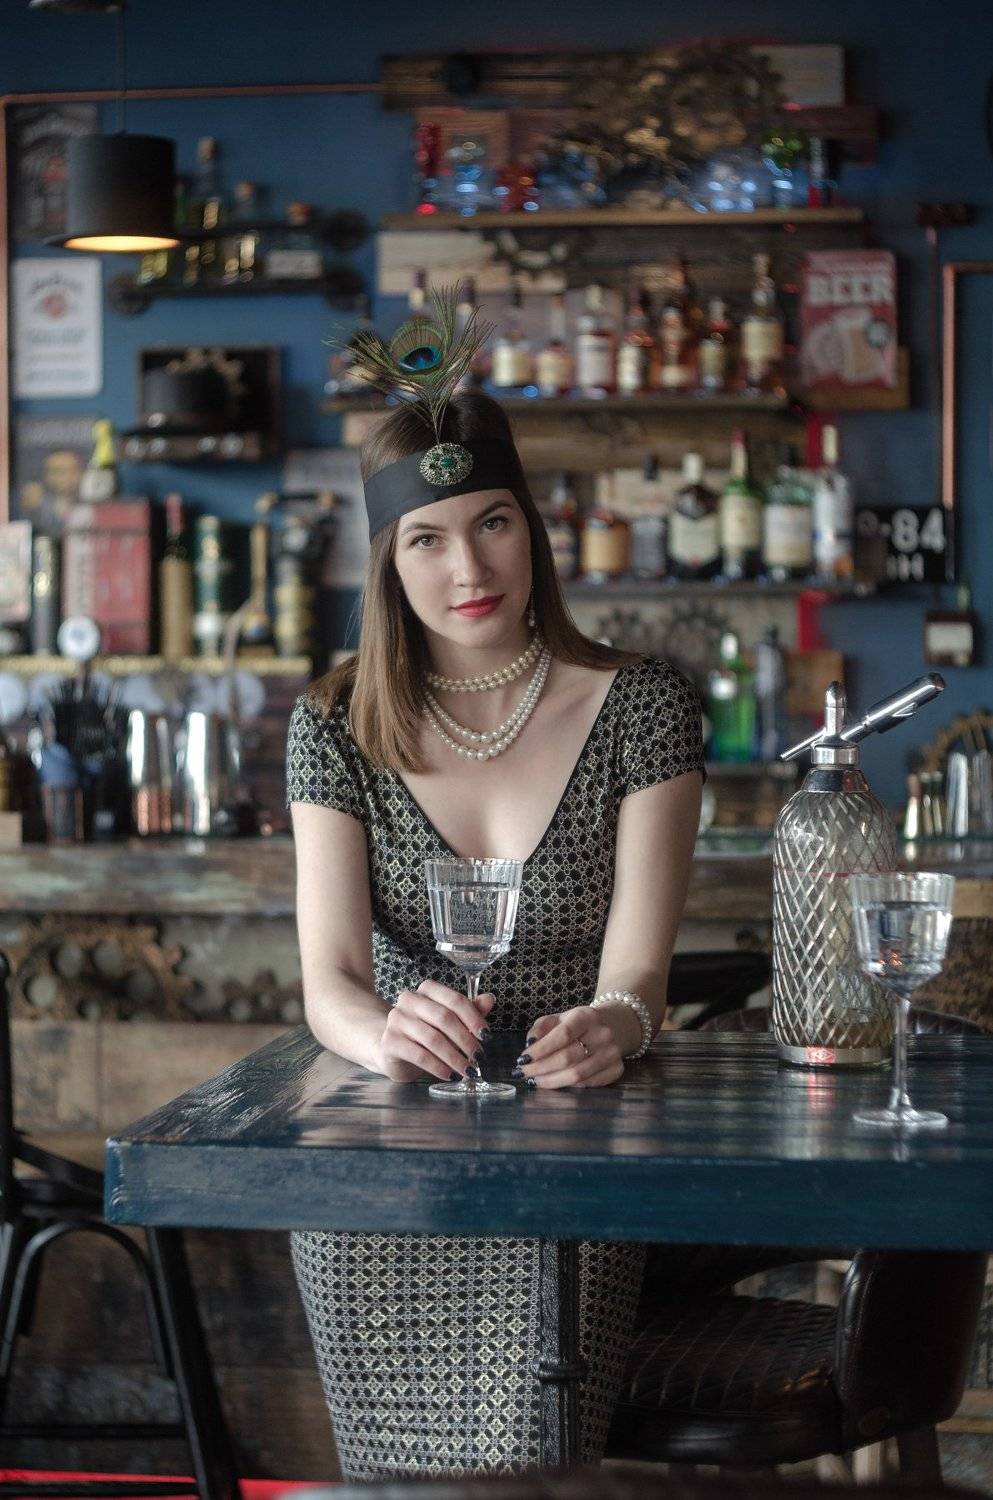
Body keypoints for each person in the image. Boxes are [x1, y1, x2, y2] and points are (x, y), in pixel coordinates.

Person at [285, 296, 704, 1480]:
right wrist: (381, 1033)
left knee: (532, 1465)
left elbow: (640, 975)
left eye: (493, 524)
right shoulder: (332, 723)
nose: (468, 568)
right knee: (389, 1482)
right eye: (426, 539)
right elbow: (330, 979)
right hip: (387, 1149)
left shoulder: (644, 706)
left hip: (574, 1144)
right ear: (388, 558)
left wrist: (616, 1026)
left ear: (534, 528)